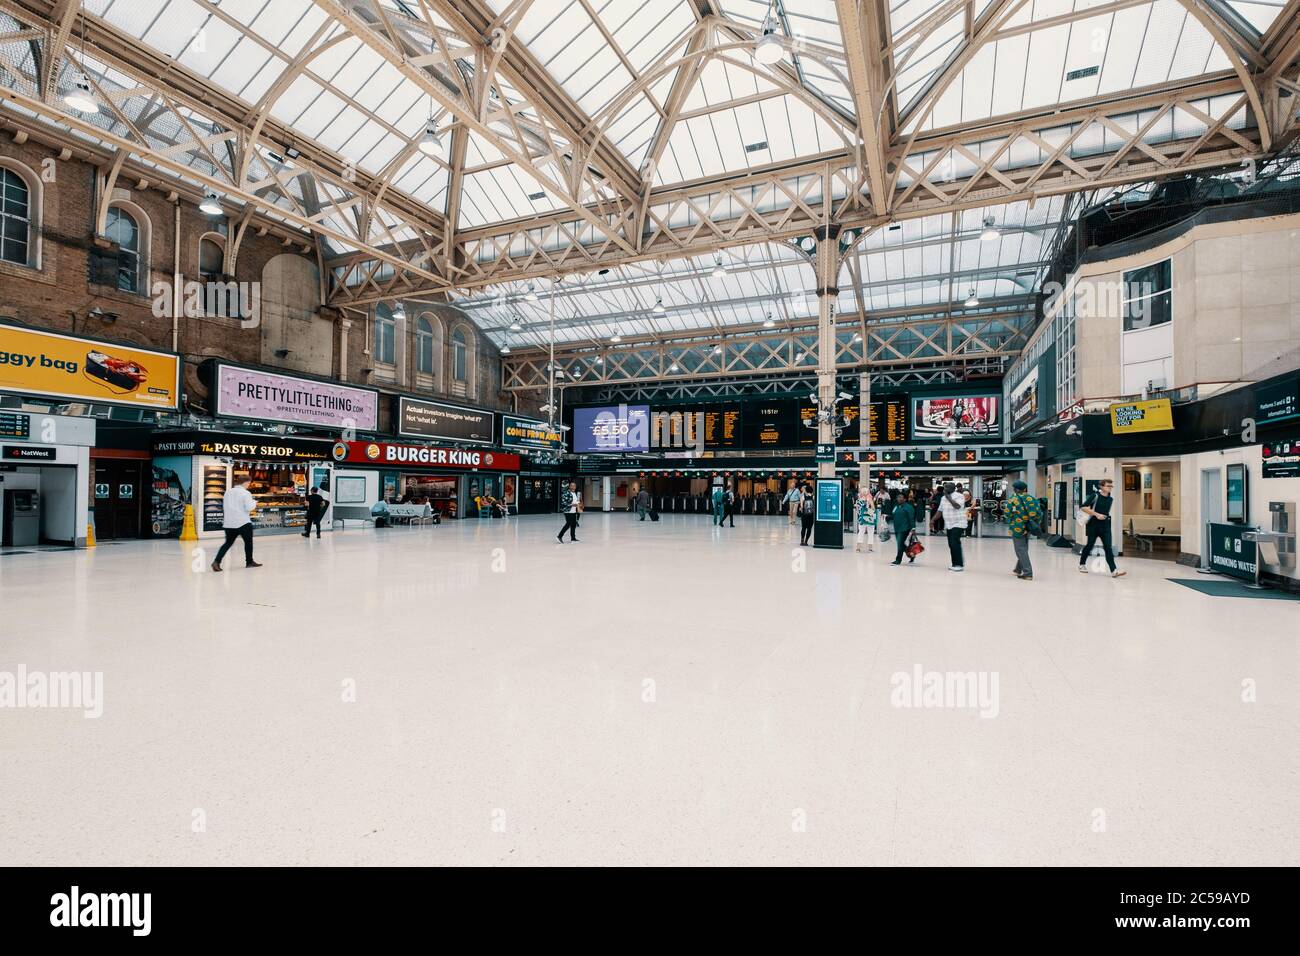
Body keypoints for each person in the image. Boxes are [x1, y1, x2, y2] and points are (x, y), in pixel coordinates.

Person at [211, 476, 262, 572]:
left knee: (227, 543)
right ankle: (249, 562)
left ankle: (216, 562)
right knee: (248, 542)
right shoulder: (246, 493)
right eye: (249, 483)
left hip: (229, 522)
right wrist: (255, 502)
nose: (248, 485)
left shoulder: (228, 492)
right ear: (245, 482)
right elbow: (249, 508)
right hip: (243, 522)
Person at [1078, 478, 1126, 577]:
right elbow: (1083, 507)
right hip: (1093, 525)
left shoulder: (1110, 499)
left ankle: (1114, 571)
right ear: (1101, 486)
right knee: (1089, 545)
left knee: (1108, 548)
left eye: (1111, 486)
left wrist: (1104, 517)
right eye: (1108, 486)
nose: (1110, 488)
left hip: (1105, 526)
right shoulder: (1095, 496)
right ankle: (1082, 564)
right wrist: (1096, 514)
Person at [1005, 479, 1043, 580]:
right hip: (1029, 527)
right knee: (1024, 548)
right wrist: (1034, 523)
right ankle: (1018, 569)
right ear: (1025, 489)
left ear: (1014, 490)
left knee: (1020, 550)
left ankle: (1028, 572)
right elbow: (1039, 513)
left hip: (1017, 528)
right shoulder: (1032, 499)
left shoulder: (1012, 500)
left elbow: (1007, 513)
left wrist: (1012, 519)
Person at [938, 481, 968, 571]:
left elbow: (957, 506)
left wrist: (949, 498)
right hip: (949, 524)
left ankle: (958, 564)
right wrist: (932, 520)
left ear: (953, 488)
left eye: (947, 487)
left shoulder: (959, 496)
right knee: (951, 544)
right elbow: (940, 510)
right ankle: (956, 563)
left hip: (959, 523)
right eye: (944, 487)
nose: (945, 489)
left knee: (954, 542)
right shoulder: (943, 498)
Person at [889, 492, 917, 565]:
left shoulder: (909, 507)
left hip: (904, 528)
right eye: (898, 497)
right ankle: (911, 554)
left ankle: (898, 560)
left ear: (905, 499)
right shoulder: (896, 506)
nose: (899, 498)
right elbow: (893, 515)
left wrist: (913, 528)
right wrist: (886, 516)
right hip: (897, 528)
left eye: (901, 497)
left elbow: (911, 518)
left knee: (900, 544)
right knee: (901, 544)